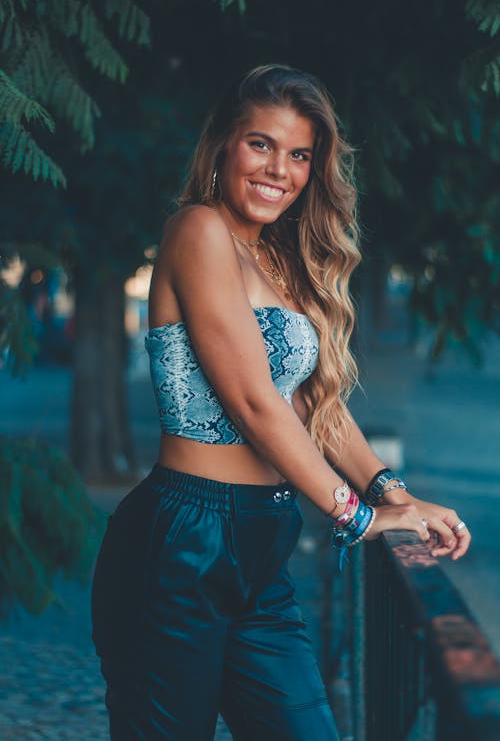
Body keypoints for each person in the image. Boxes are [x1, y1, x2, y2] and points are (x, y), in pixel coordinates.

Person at [91, 64, 471, 741]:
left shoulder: (277, 261)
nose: (280, 169)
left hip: (262, 546)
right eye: (260, 144)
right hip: (183, 540)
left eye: (300, 154)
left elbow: (315, 404)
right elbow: (253, 402)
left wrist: (393, 493)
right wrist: (357, 517)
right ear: (223, 145)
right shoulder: (197, 230)